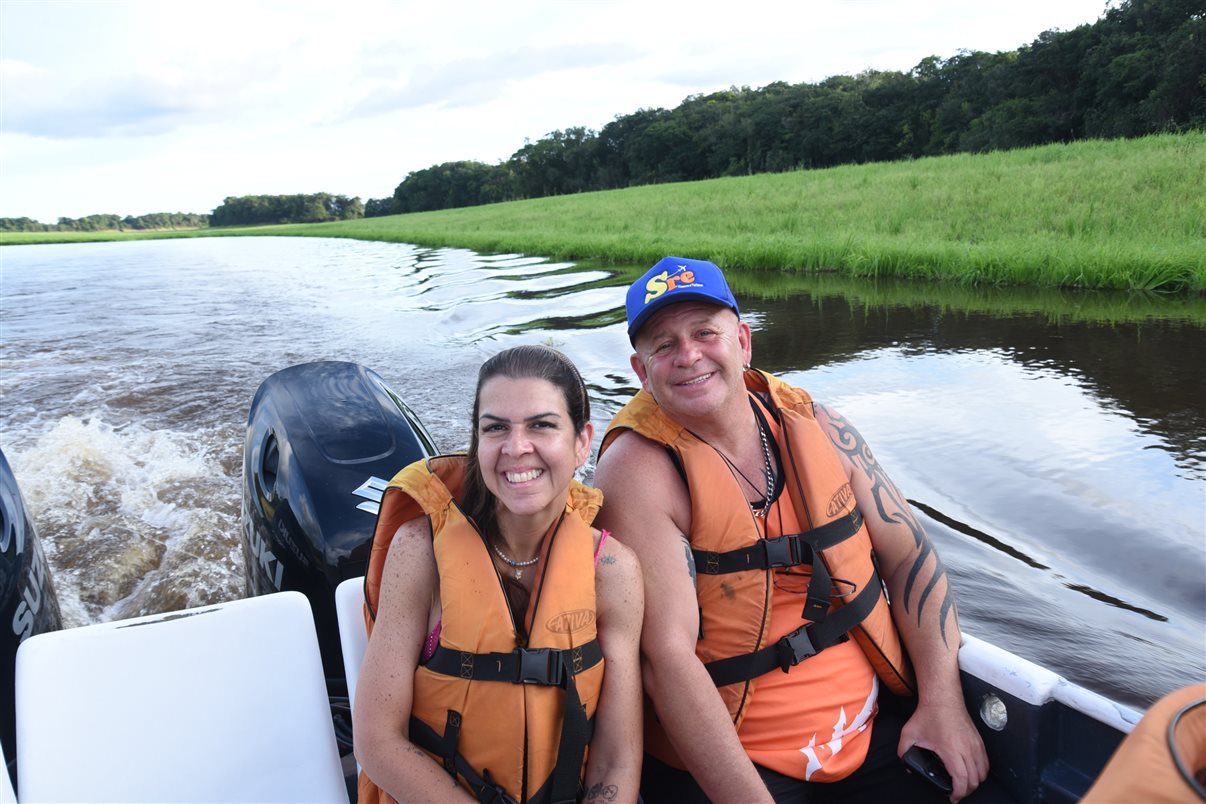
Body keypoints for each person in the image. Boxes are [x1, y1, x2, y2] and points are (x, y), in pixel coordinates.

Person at [593, 256, 989, 803]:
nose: (688, 356)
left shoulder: (818, 426)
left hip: (875, 730)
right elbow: (667, 660)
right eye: (663, 345)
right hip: (738, 767)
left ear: (743, 341)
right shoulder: (637, 472)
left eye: (705, 333)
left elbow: (909, 557)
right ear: (642, 371)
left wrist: (942, 703)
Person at [354, 344, 644, 804]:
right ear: (477, 442)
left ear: (582, 441)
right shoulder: (419, 552)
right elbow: (377, 741)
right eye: (495, 429)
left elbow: (616, 759)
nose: (516, 448)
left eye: (542, 425)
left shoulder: (612, 570)